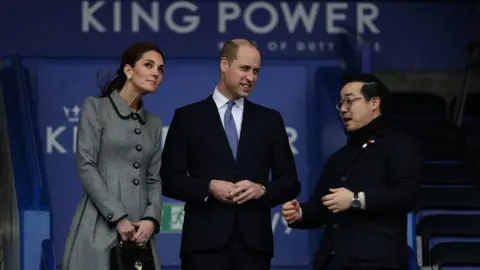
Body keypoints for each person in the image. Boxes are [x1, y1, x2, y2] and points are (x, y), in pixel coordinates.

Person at [160, 39, 301, 270]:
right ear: (224, 64)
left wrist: (262, 190)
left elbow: (290, 182)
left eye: (256, 71)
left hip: (254, 247)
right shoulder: (188, 117)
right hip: (203, 246)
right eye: (244, 68)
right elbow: (168, 179)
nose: (251, 77)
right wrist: (209, 186)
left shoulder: (270, 120)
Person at [282, 73, 422, 270]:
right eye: (340, 104)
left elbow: (407, 196)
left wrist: (357, 199)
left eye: (349, 101)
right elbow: (321, 206)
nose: (343, 109)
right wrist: (300, 213)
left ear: (374, 103)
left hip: (378, 262)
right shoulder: (339, 156)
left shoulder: (399, 145)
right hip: (332, 261)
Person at [61, 42, 165, 270]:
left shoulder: (155, 123)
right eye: (149, 65)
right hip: (99, 223)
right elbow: (86, 166)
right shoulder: (95, 108)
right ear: (129, 70)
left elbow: (154, 179)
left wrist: (152, 219)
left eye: (160, 69)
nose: (156, 73)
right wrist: (118, 217)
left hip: (141, 233)